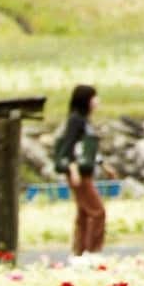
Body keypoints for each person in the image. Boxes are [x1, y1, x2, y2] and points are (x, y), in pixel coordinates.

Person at [54, 84, 118, 262]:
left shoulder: (84, 120)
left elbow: (87, 148)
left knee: (84, 212)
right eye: (94, 97)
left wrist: (103, 165)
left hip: (85, 171)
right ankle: (92, 252)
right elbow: (69, 147)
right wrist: (72, 169)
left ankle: (79, 252)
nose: (97, 101)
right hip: (78, 173)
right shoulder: (75, 120)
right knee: (97, 211)